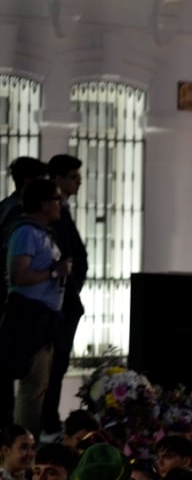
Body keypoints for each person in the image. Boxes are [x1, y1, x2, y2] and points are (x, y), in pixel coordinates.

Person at [0, 178, 72, 433]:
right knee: (32, 386)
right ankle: (22, 445)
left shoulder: (43, 233)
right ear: (44, 205)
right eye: (56, 199)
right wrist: (55, 272)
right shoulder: (26, 232)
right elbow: (19, 275)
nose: (61, 203)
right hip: (30, 316)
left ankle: (25, 441)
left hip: (45, 316)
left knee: (39, 385)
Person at [41, 154, 87, 441]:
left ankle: (50, 419)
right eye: (73, 177)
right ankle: (47, 421)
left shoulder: (64, 211)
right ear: (56, 179)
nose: (78, 182)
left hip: (67, 298)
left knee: (57, 365)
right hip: (58, 302)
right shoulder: (52, 217)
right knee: (52, 367)